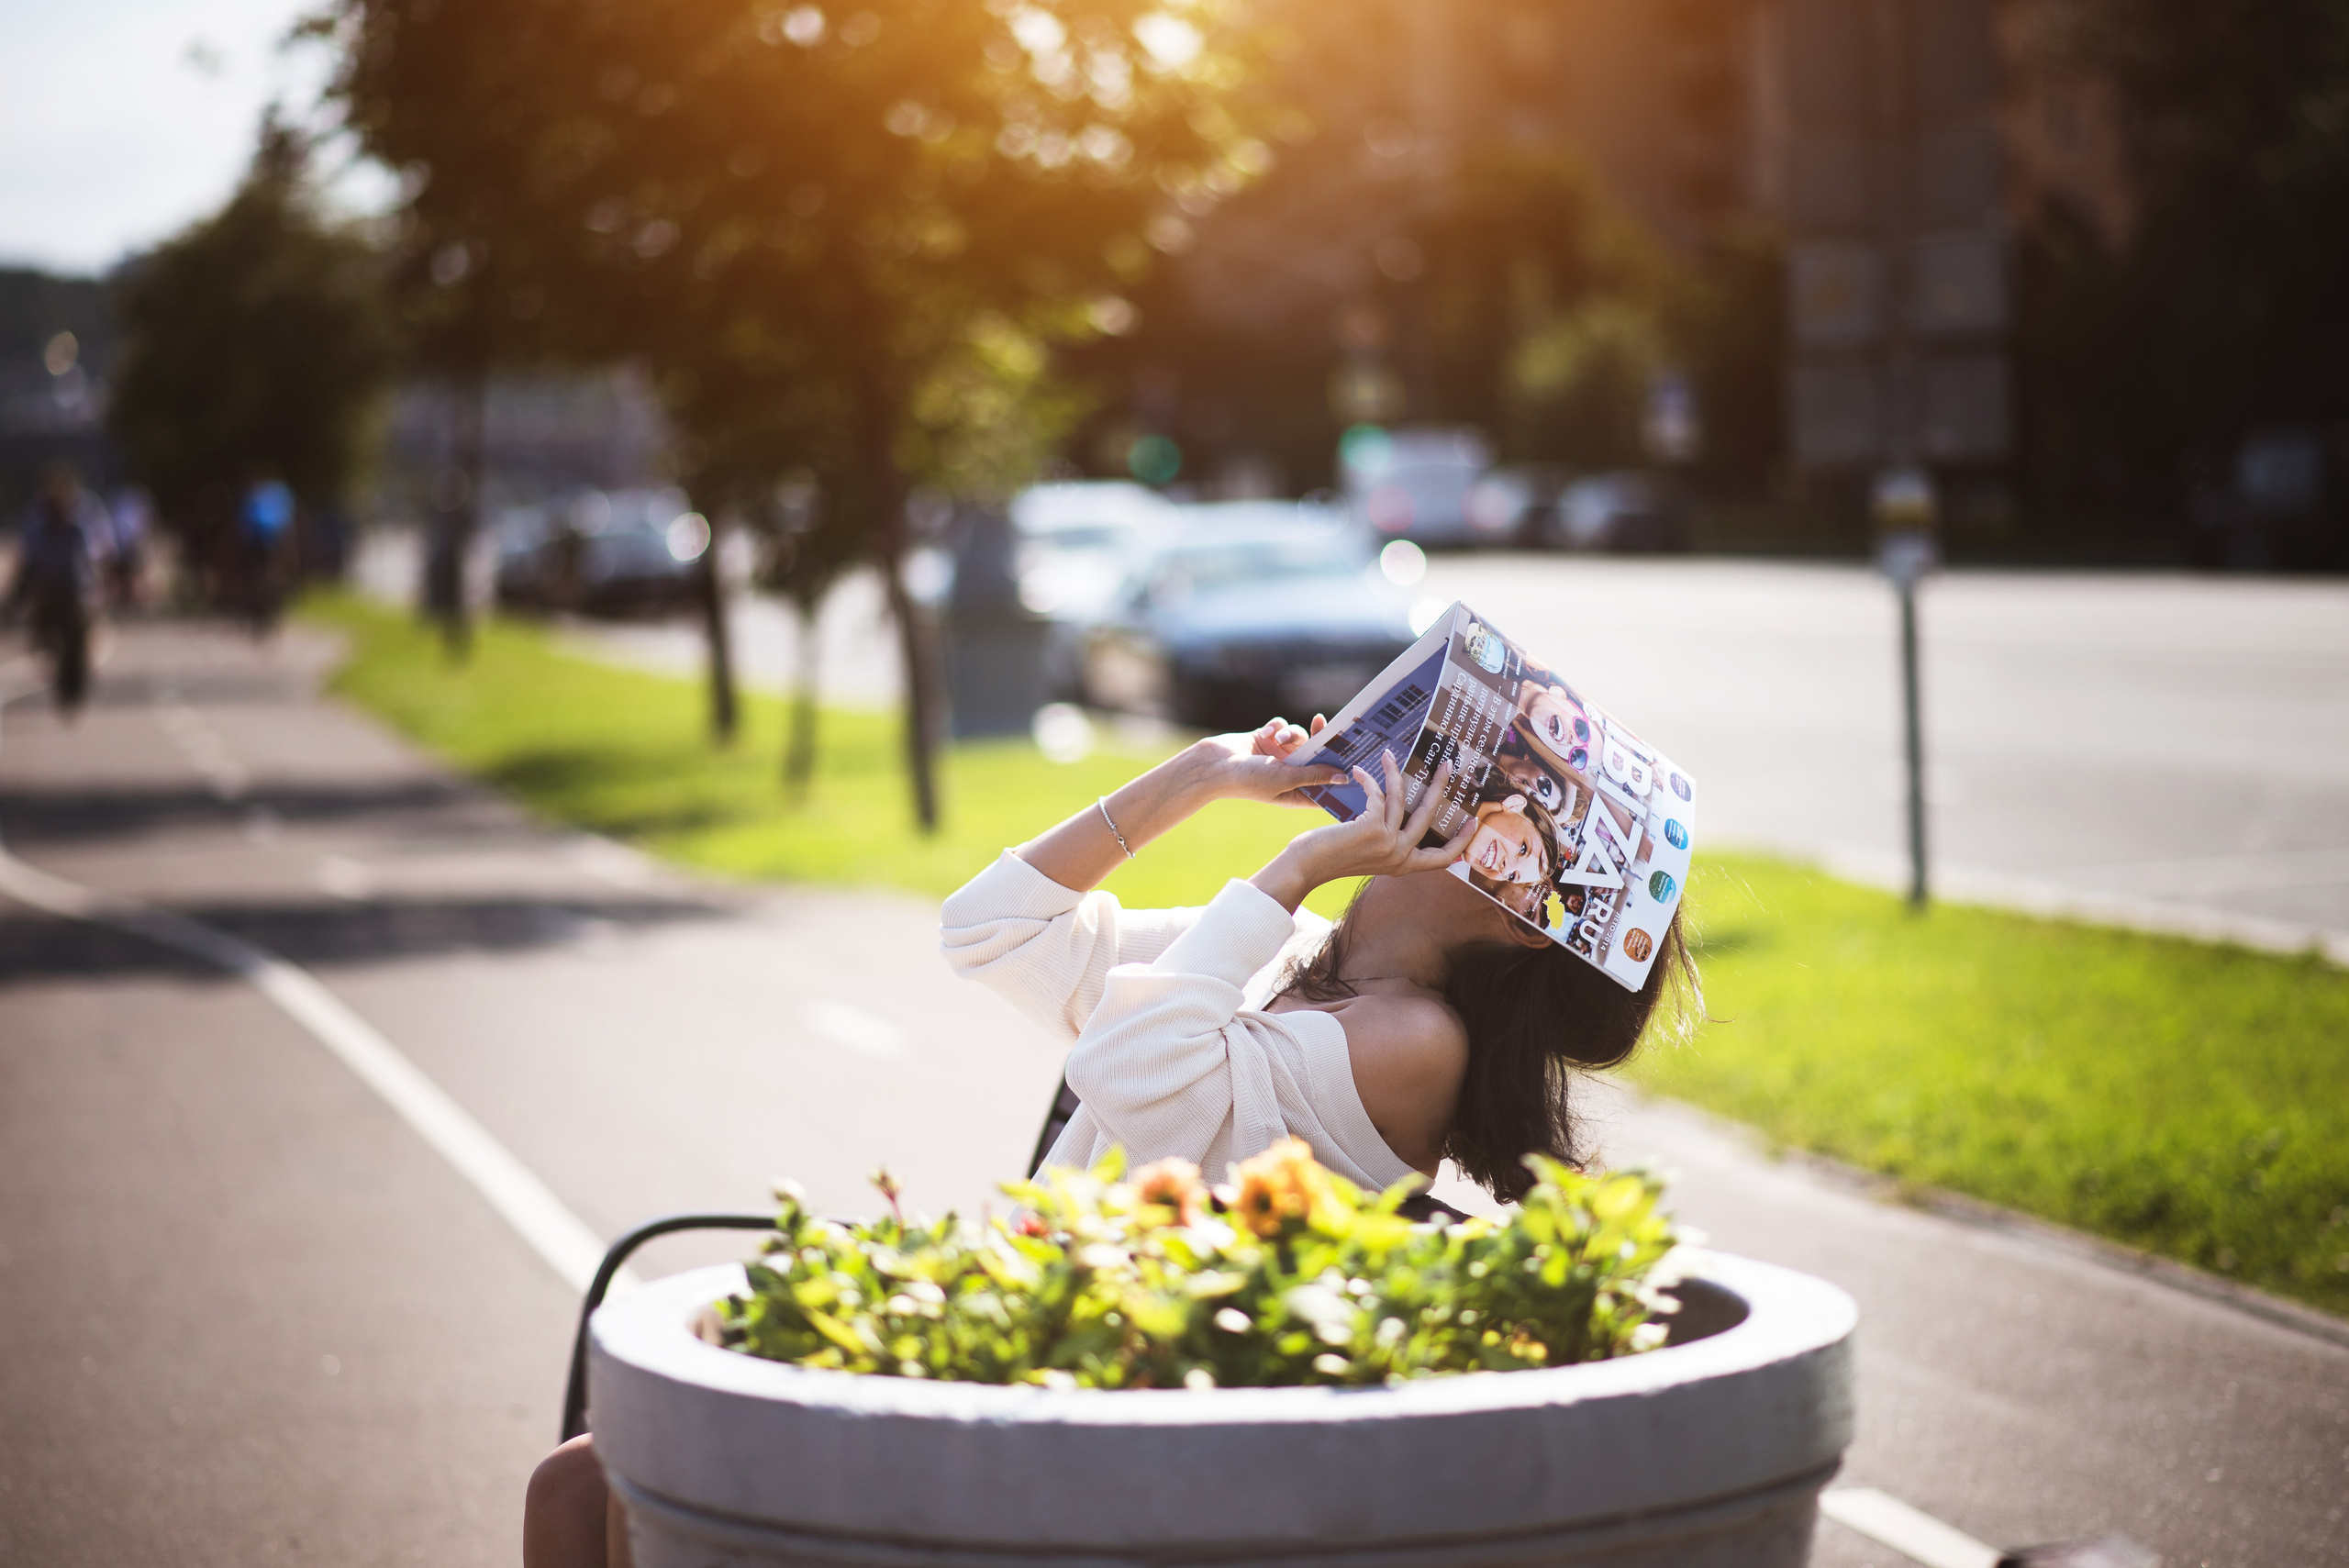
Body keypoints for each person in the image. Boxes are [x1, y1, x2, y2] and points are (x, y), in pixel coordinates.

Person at [518, 717, 1693, 1568]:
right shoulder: (1297, 959)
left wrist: (1289, 872)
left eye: (1498, 805)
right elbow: (989, 927)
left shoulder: (1413, 1037)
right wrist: (1203, 777)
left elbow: (1130, 1067)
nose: (1449, 786)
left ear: (1534, 907)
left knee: (642, 1481)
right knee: (576, 1482)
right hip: (1032, 1337)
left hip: (1104, 1401)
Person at [5, 463, 107, 715]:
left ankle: (74, 684)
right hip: (47, 589)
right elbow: (27, 558)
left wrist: (96, 584)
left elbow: (92, 557)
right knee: (41, 629)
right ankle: (45, 646)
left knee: (80, 635)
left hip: (74, 591)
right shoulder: (37, 525)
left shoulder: (78, 527)